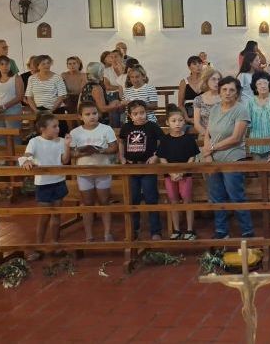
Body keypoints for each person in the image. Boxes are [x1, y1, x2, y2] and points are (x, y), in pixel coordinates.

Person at [202, 76, 254, 239]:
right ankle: (221, 230)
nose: (227, 93)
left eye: (232, 90)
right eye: (224, 89)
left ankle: (247, 230)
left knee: (235, 195)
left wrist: (212, 148)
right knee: (217, 196)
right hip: (213, 158)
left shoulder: (241, 109)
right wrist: (207, 154)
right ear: (219, 91)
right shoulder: (215, 109)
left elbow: (236, 138)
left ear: (237, 93)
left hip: (232, 157)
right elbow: (207, 134)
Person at [19, 113, 72, 261]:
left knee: (56, 214)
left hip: (59, 180)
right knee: (44, 215)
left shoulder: (61, 141)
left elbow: (65, 160)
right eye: (54, 126)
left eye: (58, 126)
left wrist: (67, 146)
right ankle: (39, 244)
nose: (57, 129)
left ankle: (54, 243)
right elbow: (27, 155)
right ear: (43, 129)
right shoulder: (35, 142)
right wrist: (26, 161)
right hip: (43, 183)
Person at [70, 101, 118, 242]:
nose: (92, 117)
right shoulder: (75, 132)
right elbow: (71, 153)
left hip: (102, 169)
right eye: (88, 114)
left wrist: (100, 150)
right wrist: (81, 152)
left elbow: (114, 147)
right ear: (80, 116)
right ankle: (89, 235)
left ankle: (107, 233)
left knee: (104, 201)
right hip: (84, 172)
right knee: (87, 203)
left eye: (94, 113)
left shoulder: (106, 129)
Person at [119, 100, 163, 240]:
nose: (140, 116)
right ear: (130, 115)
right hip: (131, 167)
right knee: (133, 199)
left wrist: (156, 156)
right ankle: (134, 229)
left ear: (147, 112)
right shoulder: (126, 127)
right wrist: (121, 157)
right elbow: (121, 142)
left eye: (142, 113)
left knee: (151, 198)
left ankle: (155, 231)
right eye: (136, 114)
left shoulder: (152, 126)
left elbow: (163, 142)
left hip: (147, 167)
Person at [158, 105, 199, 240]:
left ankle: (190, 229)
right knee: (173, 201)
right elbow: (162, 157)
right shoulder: (164, 139)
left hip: (185, 175)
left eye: (180, 120)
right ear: (167, 122)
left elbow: (192, 157)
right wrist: (171, 172)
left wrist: (182, 172)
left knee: (187, 201)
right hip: (170, 176)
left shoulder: (188, 139)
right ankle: (176, 229)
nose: (177, 123)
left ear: (184, 121)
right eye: (174, 121)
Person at [25, 55, 69, 135]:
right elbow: (29, 97)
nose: (46, 65)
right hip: (39, 111)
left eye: (48, 63)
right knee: (42, 134)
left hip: (56, 110)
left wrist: (51, 110)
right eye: (43, 64)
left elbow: (61, 96)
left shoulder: (57, 77)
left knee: (59, 134)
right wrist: (36, 110)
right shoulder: (31, 78)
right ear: (37, 66)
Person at [247, 71, 270, 159]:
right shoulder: (251, 101)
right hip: (256, 140)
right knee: (259, 170)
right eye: (259, 84)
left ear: (269, 84)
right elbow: (248, 120)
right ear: (255, 87)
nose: (263, 86)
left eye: (265, 83)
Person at [0, 55, 24, 145]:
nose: (4, 66)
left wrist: (4, 106)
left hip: (13, 110)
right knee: (0, 136)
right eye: (1, 64)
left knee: (14, 136)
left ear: (10, 65)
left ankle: (17, 159)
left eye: (7, 64)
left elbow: (20, 96)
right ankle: (3, 158)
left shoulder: (16, 78)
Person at [192, 67, 222, 135]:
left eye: (219, 79)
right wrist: (207, 137)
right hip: (204, 135)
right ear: (206, 81)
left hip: (223, 135)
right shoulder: (198, 99)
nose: (217, 82)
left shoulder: (224, 97)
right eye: (213, 79)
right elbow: (197, 124)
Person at [178, 55, 204, 124]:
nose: (198, 65)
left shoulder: (207, 80)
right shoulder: (184, 82)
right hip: (189, 114)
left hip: (205, 113)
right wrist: (187, 118)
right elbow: (180, 105)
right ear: (189, 67)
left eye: (200, 63)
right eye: (194, 64)